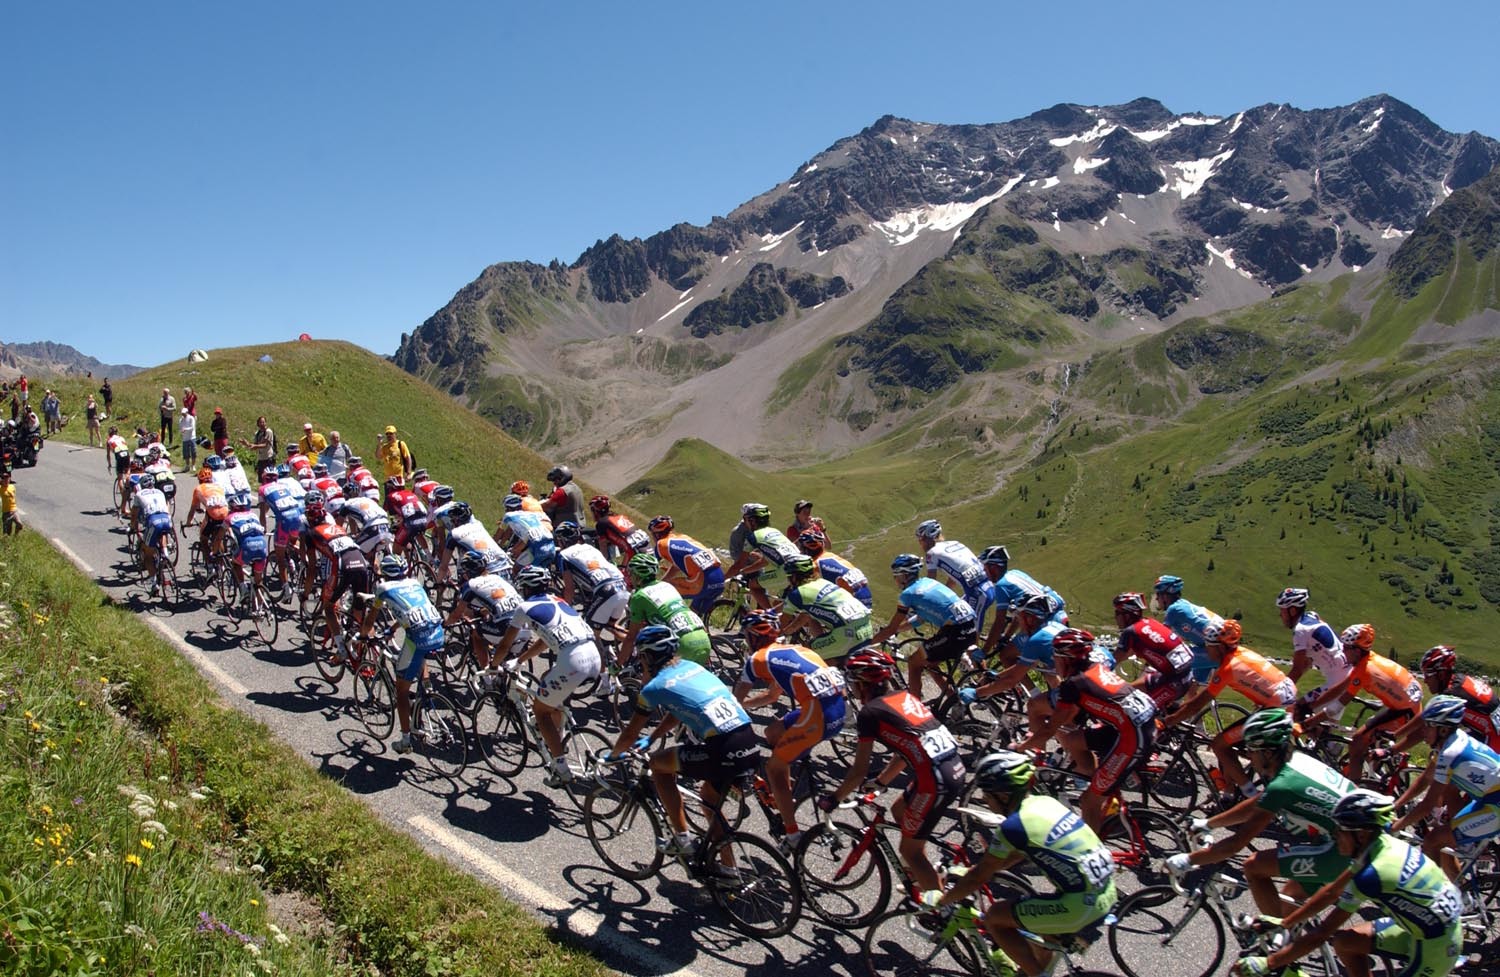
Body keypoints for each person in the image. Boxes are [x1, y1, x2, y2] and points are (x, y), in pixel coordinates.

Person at [920, 751, 1117, 977]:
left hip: (1080, 904)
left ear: (1004, 795)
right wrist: (978, 871)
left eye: (987, 794)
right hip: (1106, 892)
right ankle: (1038, 967)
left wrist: (943, 899)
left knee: (995, 917)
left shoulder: (1014, 826)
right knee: (1041, 941)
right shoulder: (1045, 803)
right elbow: (1019, 855)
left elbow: (980, 876)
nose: (985, 799)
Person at [1233, 790, 1462, 977]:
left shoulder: (1373, 875)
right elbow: (1332, 891)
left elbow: (1321, 932)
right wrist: (1285, 923)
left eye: (1340, 831)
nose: (1335, 837)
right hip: (1424, 926)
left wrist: (1269, 963)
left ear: (1360, 834)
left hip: (1437, 946)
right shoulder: (1379, 845)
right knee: (1345, 942)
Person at [1166, 708, 1358, 921]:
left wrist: (1188, 860)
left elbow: (1235, 844)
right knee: (1288, 898)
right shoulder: (1297, 764)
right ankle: (1284, 938)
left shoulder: (1284, 785)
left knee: (1254, 866)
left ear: (1267, 752)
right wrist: (1209, 823)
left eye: (1252, 750)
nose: (1249, 756)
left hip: (1344, 850)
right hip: (1348, 842)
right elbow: (1260, 802)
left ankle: (1275, 934)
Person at [820, 648, 966, 893]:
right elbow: (907, 749)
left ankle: (942, 912)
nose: (854, 689)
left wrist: (834, 798)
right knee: (899, 808)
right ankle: (920, 876)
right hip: (952, 767)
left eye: (854, 683)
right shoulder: (905, 697)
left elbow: (858, 770)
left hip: (936, 778)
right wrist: (880, 781)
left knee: (909, 851)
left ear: (864, 684)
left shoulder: (870, 713)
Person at [608, 626, 761, 858]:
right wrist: (652, 737)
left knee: (658, 766)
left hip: (723, 747)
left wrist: (611, 757)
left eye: (641, 655)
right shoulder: (693, 667)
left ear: (648, 657)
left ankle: (682, 839)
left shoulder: (654, 688)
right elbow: (681, 709)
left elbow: (629, 735)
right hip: (749, 739)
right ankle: (728, 870)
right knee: (709, 801)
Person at [1016, 628, 1157, 833]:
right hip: (1136, 723)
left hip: (1134, 736)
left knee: (1087, 802)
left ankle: (1094, 854)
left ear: (1067, 659)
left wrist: (1022, 747)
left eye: (1055, 658)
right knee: (1073, 740)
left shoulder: (1073, 684)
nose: (1054, 664)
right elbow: (1080, 711)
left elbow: (1049, 730)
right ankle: (1099, 783)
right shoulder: (1093, 669)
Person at [732, 610, 846, 846]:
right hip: (837, 711)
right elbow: (772, 696)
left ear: (753, 636)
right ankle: (787, 781)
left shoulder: (757, 660)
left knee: (774, 768)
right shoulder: (797, 650)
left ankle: (792, 835)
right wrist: (746, 706)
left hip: (817, 718)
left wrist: (734, 710)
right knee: (772, 733)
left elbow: (733, 701)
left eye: (746, 635)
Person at [1164, 619, 1296, 804]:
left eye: (1208, 645)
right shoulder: (1240, 653)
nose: (1206, 649)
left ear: (1219, 647)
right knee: (1230, 742)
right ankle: (1229, 792)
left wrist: (1170, 720)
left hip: (1275, 709)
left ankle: (1251, 796)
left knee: (1219, 745)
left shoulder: (1228, 668)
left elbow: (1197, 704)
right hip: (1282, 701)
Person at [494, 566, 602, 786]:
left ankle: (561, 768)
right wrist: (521, 660)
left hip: (573, 661)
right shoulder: (559, 600)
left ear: (525, 587)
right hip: (593, 655)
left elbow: (505, 644)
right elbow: (545, 639)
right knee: (547, 680)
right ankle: (558, 734)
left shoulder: (524, 607)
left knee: (540, 711)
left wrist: (493, 666)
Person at [1393, 695, 1500, 881]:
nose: (1423, 731)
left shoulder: (1451, 753)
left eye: (1428, 726)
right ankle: (1463, 899)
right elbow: (1424, 780)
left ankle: (1437, 897)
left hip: (1495, 805)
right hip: (1490, 799)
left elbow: (1427, 805)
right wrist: (1394, 807)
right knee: (1444, 846)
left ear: (1442, 730)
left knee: (1432, 841)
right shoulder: (1453, 741)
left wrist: (1396, 826)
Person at [1302, 623, 1420, 781]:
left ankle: (1354, 791)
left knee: (1357, 741)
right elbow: (1340, 688)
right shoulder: (1369, 660)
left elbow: (1336, 707)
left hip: (1405, 711)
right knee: (1367, 736)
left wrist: (1308, 722)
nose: (1343, 651)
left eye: (1346, 648)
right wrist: (1309, 706)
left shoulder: (1365, 670)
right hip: (1405, 704)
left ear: (1357, 651)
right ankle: (1370, 771)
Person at [362, 554, 445, 754]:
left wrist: (363, 635)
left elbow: (369, 622)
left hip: (416, 638)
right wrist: (393, 627)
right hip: (438, 632)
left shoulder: (382, 589)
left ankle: (405, 739)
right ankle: (424, 689)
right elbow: (411, 609)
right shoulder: (414, 583)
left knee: (400, 689)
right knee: (419, 655)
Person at [869, 553, 977, 699]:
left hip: (954, 632)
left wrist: (867, 643)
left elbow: (891, 628)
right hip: (970, 625)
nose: (895, 579)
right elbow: (920, 619)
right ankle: (954, 699)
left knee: (914, 662)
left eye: (896, 575)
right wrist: (899, 630)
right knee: (930, 663)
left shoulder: (908, 594)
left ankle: (915, 712)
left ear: (904, 576)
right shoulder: (927, 582)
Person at [301, 491, 374, 657]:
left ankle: (341, 649)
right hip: (361, 564)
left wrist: (305, 594)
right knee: (359, 611)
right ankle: (369, 647)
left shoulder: (311, 534)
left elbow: (312, 569)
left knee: (328, 607)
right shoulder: (339, 528)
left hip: (343, 566)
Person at [619, 553, 712, 667]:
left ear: (637, 576)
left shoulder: (639, 596)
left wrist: (618, 664)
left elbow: (631, 638)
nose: (630, 577)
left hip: (682, 645)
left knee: (652, 675)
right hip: (703, 639)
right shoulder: (667, 585)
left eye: (631, 574)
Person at [443, 550, 526, 676]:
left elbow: (457, 614)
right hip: (525, 625)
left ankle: (488, 677)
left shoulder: (470, 585)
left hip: (506, 627)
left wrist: (444, 625)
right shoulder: (497, 578)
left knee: (476, 634)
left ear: (468, 572)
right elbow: (500, 602)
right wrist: (483, 611)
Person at [778, 554, 873, 663]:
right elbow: (806, 615)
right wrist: (790, 630)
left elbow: (782, 623)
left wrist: (778, 635)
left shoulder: (797, 594)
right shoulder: (825, 582)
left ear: (793, 577)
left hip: (846, 635)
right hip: (866, 629)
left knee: (805, 657)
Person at [1277, 587, 1351, 725]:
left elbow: (1297, 670)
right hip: (1348, 674)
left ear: (1292, 610)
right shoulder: (1312, 616)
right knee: (1316, 726)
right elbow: (1307, 663)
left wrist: (1278, 693)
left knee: (1297, 711)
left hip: (1338, 682)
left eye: (1282, 610)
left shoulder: (1300, 631)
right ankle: (1327, 743)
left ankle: (1329, 745)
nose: (1281, 615)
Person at [1110, 592, 1195, 712]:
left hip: (1175, 682)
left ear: (1127, 615)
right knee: (1127, 691)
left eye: (1117, 613)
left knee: (1136, 715)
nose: (1115, 617)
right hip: (1182, 675)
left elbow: (1114, 660)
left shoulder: (1130, 632)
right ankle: (1171, 711)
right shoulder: (1149, 622)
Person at [978, 545, 1066, 657]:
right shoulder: (1016, 573)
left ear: (994, 568)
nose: (985, 572)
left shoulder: (1001, 586)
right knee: (1048, 664)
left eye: (985, 569)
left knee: (1006, 656)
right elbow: (1020, 613)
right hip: (1058, 615)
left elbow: (999, 622)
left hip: (1043, 622)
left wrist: (984, 651)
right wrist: (1006, 637)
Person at [552, 521, 629, 643]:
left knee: (590, 633)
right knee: (610, 625)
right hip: (622, 585)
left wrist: (565, 610)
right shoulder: (589, 547)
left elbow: (569, 589)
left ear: (561, 541)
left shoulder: (563, 555)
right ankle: (635, 647)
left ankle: (603, 660)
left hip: (606, 590)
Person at [1415, 644, 1500, 751]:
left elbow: (1423, 723)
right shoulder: (1459, 680)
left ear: (1441, 674)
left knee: (1444, 750)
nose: (1425, 680)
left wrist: (1395, 739)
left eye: (1428, 675)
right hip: (1491, 731)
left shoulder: (1452, 694)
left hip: (1494, 739)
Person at [720, 503, 802, 610]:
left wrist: (722, 579)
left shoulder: (754, 537)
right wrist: (744, 571)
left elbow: (739, 564)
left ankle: (769, 617)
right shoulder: (774, 531)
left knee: (753, 585)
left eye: (745, 519)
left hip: (787, 571)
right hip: (803, 566)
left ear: (752, 521)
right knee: (786, 606)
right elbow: (764, 562)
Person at [648, 514, 726, 616]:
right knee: (694, 615)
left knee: (662, 590)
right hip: (719, 580)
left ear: (657, 535)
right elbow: (677, 567)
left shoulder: (661, 544)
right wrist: (664, 580)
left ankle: (665, 619)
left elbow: (648, 565)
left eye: (652, 534)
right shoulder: (684, 538)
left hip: (701, 582)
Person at [1153, 574, 1224, 684]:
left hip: (1215, 651)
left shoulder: (1174, 609)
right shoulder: (1183, 604)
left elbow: (1160, 636)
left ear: (1165, 596)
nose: (1156, 598)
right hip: (1214, 648)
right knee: (1194, 684)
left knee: (1173, 663)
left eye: (1158, 594)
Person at [915, 519, 988, 614]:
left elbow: (930, 583)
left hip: (976, 593)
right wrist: (943, 597)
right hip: (986, 585)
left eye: (920, 539)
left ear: (926, 538)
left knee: (968, 625)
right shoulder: (956, 543)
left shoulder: (932, 553)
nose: (920, 543)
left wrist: (923, 605)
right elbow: (953, 579)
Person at [796, 528, 872, 608]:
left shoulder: (815, 564)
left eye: (801, 547)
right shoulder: (829, 555)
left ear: (808, 547)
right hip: (866, 594)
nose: (800, 550)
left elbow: (802, 590)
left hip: (853, 599)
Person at [129, 473, 173, 593]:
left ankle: (154, 583)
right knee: (163, 531)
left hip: (153, 521)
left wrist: (133, 526)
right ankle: (165, 553)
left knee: (148, 555)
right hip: (166, 519)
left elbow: (134, 514)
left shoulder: (139, 494)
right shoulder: (160, 492)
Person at [225, 495, 269, 602]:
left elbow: (218, 538)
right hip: (262, 546)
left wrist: (214, 551)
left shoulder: (230, 518)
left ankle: (243, 588)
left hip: (247, 547)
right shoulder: (253, 515)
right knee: (259, 581)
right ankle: (260, 609)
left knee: (236, 563)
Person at [497, 494, 556, 568]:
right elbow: (526, 537)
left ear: (508, 508)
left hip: (537, 548)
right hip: (550, 543)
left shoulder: (509, 516)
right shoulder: (530, 514)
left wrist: (498, 547)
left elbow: (499, 534)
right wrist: (515, 549)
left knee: (517, 568)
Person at [183, 465, 230, 558]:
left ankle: (210, 563)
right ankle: (223, 561)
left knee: (204, 539)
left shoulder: (198, 489)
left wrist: (188, 522)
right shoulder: (218, 487)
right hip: (226, 513)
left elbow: (192, 510)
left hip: (214, 515)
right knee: (219, 534)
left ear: (200, 480)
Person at [589, 495, 652, 562]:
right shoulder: (620, 517)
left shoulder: (601, 523)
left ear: (595, 511)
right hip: (648, 549)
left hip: (636, 553)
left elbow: (603, 548)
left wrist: (604, 562)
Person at [0, 469, 20, 536]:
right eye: (4, 479)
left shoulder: (12, 487)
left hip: (14, 510)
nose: (6, 480)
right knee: (7, 532)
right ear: (1, 480)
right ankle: (7, 544)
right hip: (6, 512)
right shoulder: (0, 488)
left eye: (7, 479)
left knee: (19, 524)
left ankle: (15, 536)